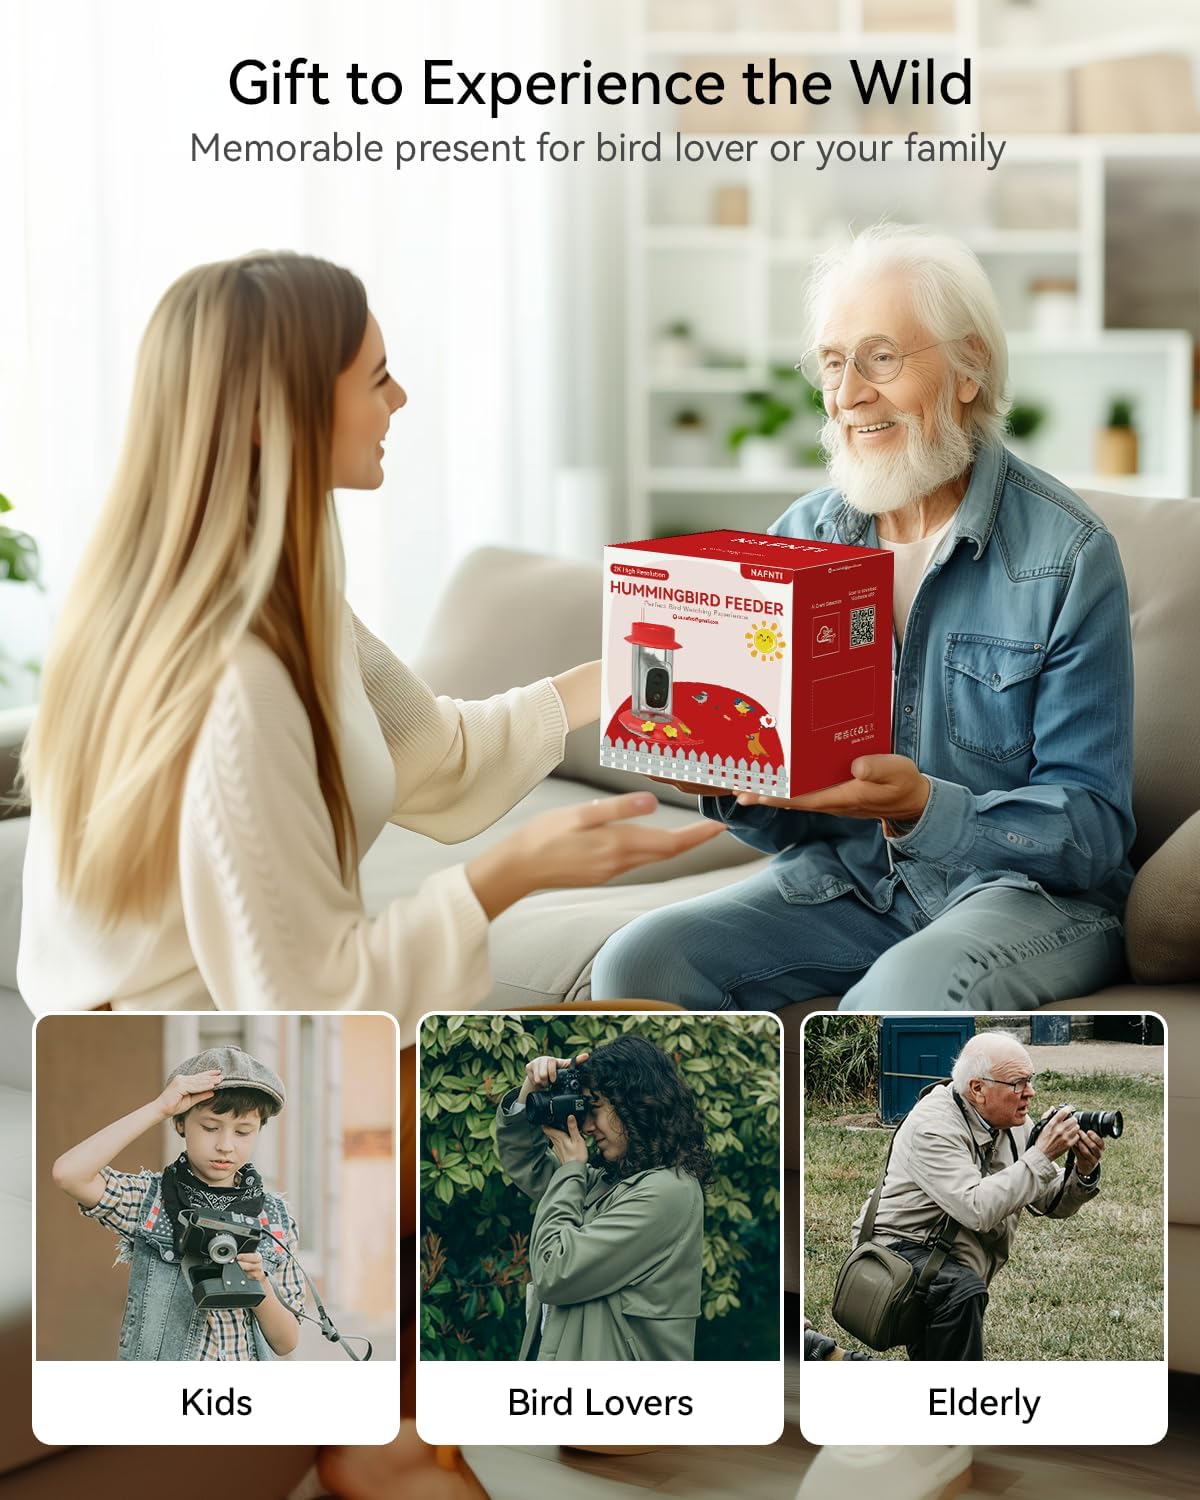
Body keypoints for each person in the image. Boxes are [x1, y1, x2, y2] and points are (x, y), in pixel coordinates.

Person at [16, 252, 721, 1037]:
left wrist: (617, 675)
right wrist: (509, 874)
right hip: (207, 1095)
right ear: (270, 414)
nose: (400, 398)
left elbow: (436, 754)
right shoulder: (235, 680)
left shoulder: (275, 600)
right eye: (377, 378)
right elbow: (315, 1004)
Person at [591, 223, 1133, 1012]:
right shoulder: (801, 538)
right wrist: (729, 777)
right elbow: (790, 822)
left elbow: (1091, 832)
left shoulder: (1068, 556)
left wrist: (922, 808)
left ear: (969, 367)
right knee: (639, 966)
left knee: (898, 994)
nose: (848, 396)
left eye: (880, 358)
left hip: (1024, 896)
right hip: (854, 889)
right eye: (834, 365)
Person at [848, 1030, 1104, 1360]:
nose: (1031, 1092)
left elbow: (1048, 1200)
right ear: (978, 1089)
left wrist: (1083, 1171)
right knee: (960, 1293)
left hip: (949, 1251)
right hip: (897, 1247)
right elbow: (976, 1209)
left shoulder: (1014, 1122)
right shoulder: (932, 1124)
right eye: (1018, 1083)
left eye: (1031, 1079)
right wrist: (1041, 1155)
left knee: (952, 1311)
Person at [52, 1044, 303, 1360]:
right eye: (210, 1128)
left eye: (243, 1132)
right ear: (180, 1123)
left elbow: (287, 1341)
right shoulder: (152, 1200)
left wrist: (259, 1280)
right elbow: (68, 1174)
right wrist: (159, 1108)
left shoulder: (273, 1216)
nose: (225, 1145)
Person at [495, 1037, 709, 1360]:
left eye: (594, 1108)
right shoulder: (612, 1183)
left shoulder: (667, 1193)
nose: (587, 1126)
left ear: (636, 1103)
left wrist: (572, 1170)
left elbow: (554, 1270)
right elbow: (529, 1164)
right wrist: (530, 1091)